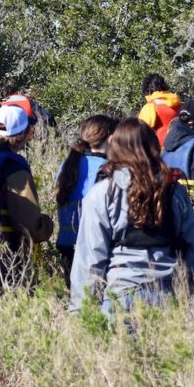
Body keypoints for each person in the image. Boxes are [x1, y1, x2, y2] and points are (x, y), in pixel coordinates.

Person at [70, 118, 194, 315]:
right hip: (168, 296)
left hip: (121, 297)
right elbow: (193, 245)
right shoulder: (174, 191)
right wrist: (193, 293)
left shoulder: (102, 194)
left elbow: (90, 258)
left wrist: (81, 311)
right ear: (153, 148)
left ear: (114, 148)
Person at [0, 105, 54, 270]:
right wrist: (47, 225)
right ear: (22, 134)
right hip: (6, 258)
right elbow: (30, 226)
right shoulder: (13, 167)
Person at [54, 115, 118, 284]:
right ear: (110, 137)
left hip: (67, 243)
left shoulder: (67, 165)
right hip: (93, 246)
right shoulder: (106, 169)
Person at [137, 73, 181, 146]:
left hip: (160, 150)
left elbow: (139, 132)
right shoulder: (178, 103)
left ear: (147, 90)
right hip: (180, 146)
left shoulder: (151, 106)